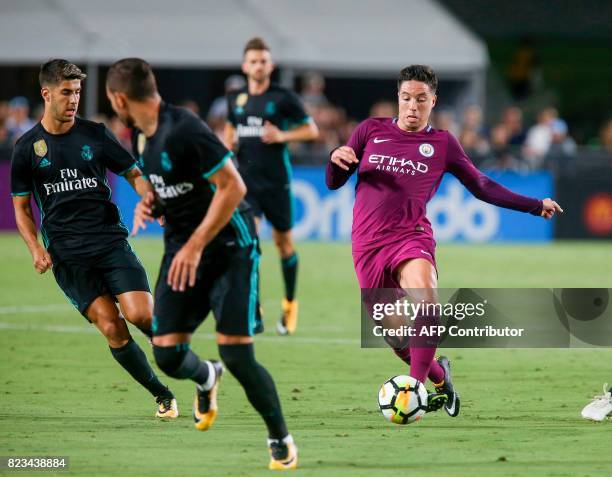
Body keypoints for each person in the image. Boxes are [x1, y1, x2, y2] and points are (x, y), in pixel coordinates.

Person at [326, 64, 563, 417]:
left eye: (421, 99)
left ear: (432, 101)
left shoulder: (442, 143)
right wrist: (336, 162)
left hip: (411, 236)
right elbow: (333, 182)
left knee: (427, 299)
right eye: (406, 98)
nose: (412, 106)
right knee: (398, 339)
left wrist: (532, 205)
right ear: (398, 98)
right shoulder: (369, 131)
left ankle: (414, 388)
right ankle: (439, 376)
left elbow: (482, 185)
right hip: (367, 245)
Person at [106, 58, 297, 470]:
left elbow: (233, 187)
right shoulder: (140, 135)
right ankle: (206, 377)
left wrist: (194, 244)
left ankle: (280, 437)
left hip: (230, 245)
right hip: (184, 247)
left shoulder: (185, 128)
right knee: (168, 354)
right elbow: (171, 187)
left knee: (238, 354)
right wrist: (149, 202)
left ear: (118, 98)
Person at [10, 59, 177, 419]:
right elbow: (21, 209)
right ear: (46, 93)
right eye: (66, 92)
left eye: (78, 92)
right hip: (68, 257)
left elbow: (133, 172)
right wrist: (36, 248)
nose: (73, 100)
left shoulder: (95, 134)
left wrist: (149, 198)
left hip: (109, 243)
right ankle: (161, 393)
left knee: (140, 314)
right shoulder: (26, 148)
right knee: (112, 328)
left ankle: (181, 357)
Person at [224, 37, 319, 336]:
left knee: (283, 245)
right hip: (246, 184)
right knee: (250, 244)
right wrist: (227, 145)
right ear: (244, 65)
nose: (258, 65)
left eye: (263, 60)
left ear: (271, 65)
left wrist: (282, 136)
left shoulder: (282, 97)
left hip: (277, 183)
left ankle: (290, 304)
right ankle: (255, 308)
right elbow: (229, 128)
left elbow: (311, 129)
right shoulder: (235, 98)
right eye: (253, 61)